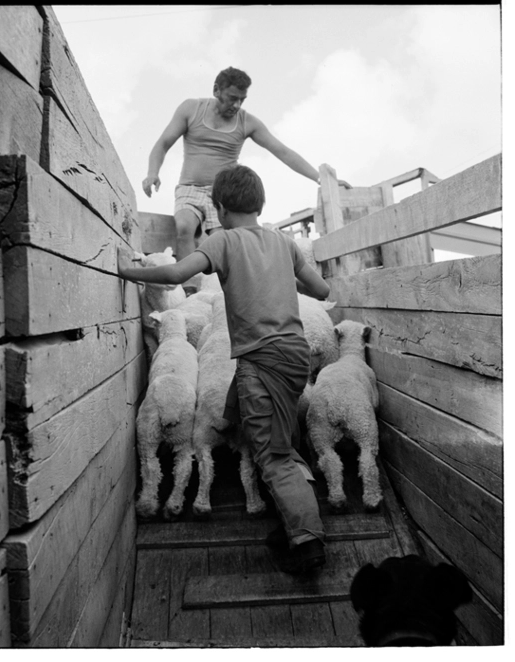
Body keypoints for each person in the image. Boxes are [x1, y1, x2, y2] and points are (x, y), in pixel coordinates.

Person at [119, 165, 330, 574]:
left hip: (261, 358)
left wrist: (129, 271)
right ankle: (293, 514)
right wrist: (281, 279)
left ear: (219, 208)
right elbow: (322, 290)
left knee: (274, 457)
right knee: (275, 426)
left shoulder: (224, 241)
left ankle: (307, 542)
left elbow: (178, 273)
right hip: (294, 354)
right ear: (260, 203)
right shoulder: (284, 242)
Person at [142, 66, 350, 292]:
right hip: (189, 187)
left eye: (242, 100)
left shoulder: (247, 122)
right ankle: (190, 290)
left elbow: (282, 151)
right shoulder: (191, 109)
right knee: (184, 225)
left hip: (222, 194)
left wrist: (321, 179)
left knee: (222, 240)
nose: (237, 105)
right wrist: (153, 172)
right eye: (232, 98)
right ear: (216, 90)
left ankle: (223, 290)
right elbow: (162, 144)